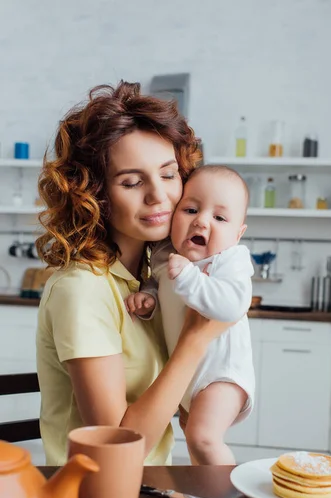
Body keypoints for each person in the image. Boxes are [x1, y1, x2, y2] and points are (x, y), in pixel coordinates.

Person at [35, 81, 232, 466]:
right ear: (94, 196)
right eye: (132, 181)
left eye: (169, 174)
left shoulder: (152, 277)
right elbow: (118, 450)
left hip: (155, 487)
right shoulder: (81, 289)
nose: (158, 195)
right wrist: (196, 339)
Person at [125, 165, 255, 465]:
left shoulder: (229, 260)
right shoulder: (165, 255)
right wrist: (149, 298)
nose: (201, 221)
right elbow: (160, 286)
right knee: (192, 436)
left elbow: (233, 306)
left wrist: (190, 279)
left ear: (238, 233)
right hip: (187, 373)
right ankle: (206, 497)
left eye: (219, 218)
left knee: (204, 438)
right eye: (191, 209)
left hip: (222, 375)